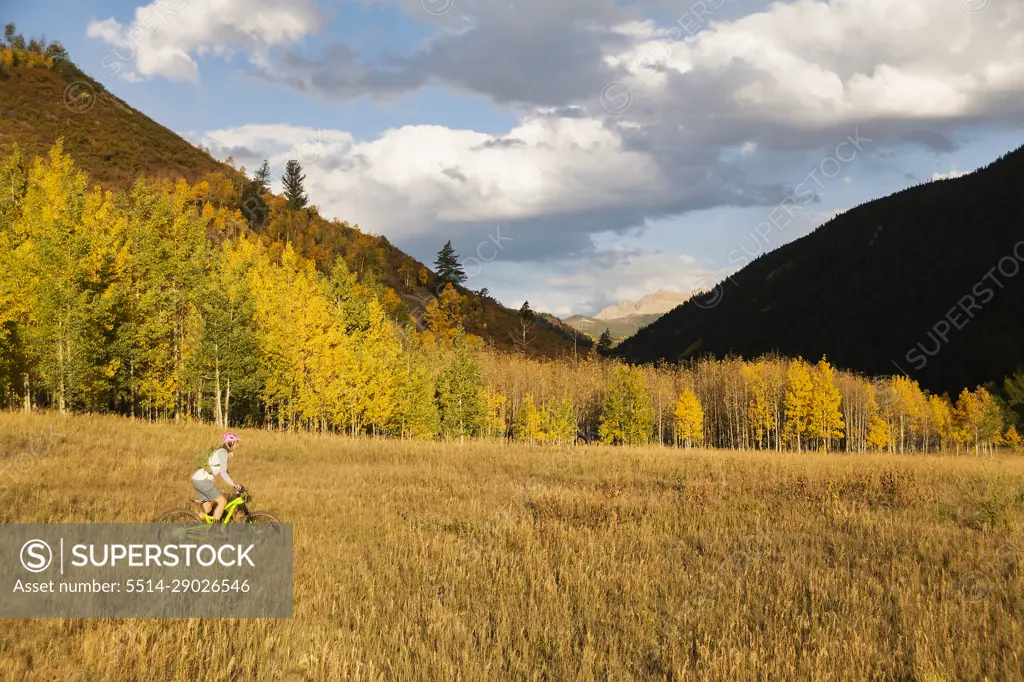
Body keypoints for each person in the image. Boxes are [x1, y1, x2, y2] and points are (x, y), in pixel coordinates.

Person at [192, 432, 243, 523]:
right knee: (222, 502)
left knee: (208, 509)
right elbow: (223, 473)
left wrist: (233, 483)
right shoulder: (223, 453)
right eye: (236, 443)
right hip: (203, 480)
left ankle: (191, 524)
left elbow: (225, 471)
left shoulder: (219, 450)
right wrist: (235, 485)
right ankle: (214, 532)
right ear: (231, 443)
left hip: (197, 479)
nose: (237, 445)